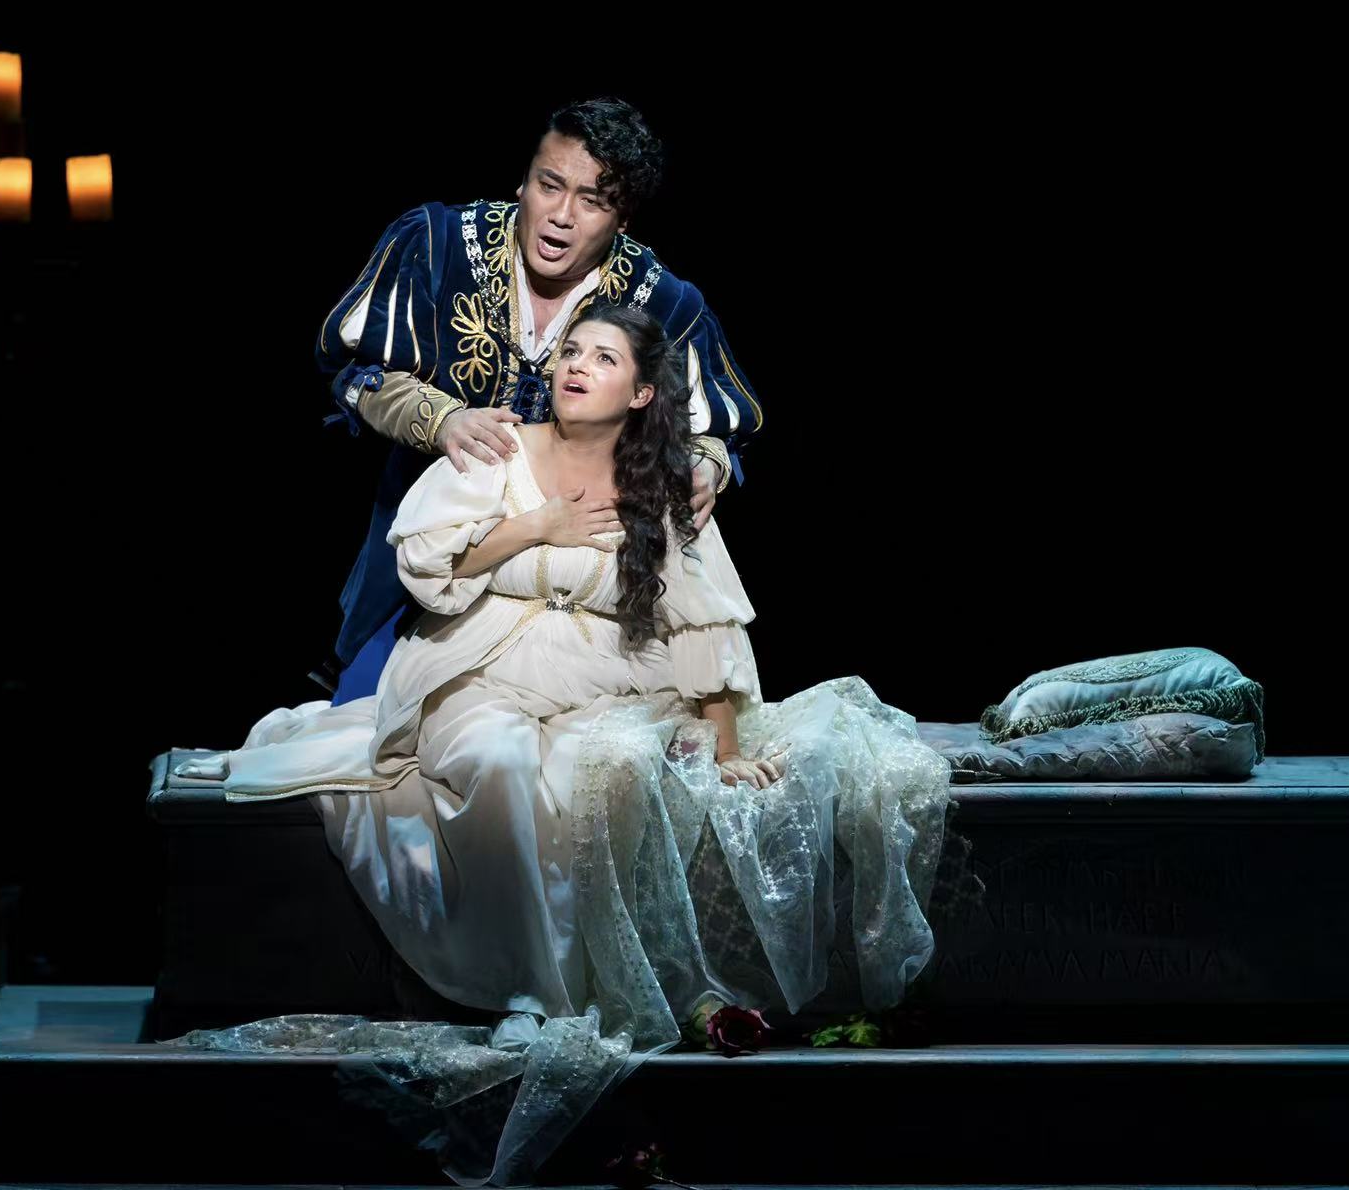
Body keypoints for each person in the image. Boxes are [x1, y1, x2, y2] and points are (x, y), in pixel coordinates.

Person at [171, 305, 948, 1187]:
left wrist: (728, 741)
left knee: (592, 774)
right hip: (480, 665)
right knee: (498, 760)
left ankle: (568, 986)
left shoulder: (662, 483)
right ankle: (525, 990)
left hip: (608, 679)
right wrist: (535, 528)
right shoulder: (499, 448)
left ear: (642, 392)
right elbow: (429, 567)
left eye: (604, 358)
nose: (577, 366)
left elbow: (704, 620)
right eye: (571, 350)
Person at [309, 97, 763, 706]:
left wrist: (704, 465)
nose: (562, 216)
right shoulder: (440, 246)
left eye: (592, 201)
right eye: (550, 186)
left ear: (622, 219)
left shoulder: (663, 302)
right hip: (436, 539)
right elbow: (354, 369)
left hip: (580, 580)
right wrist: (440, 419)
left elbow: (713, 426)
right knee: (373, 715)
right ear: (523, 182)